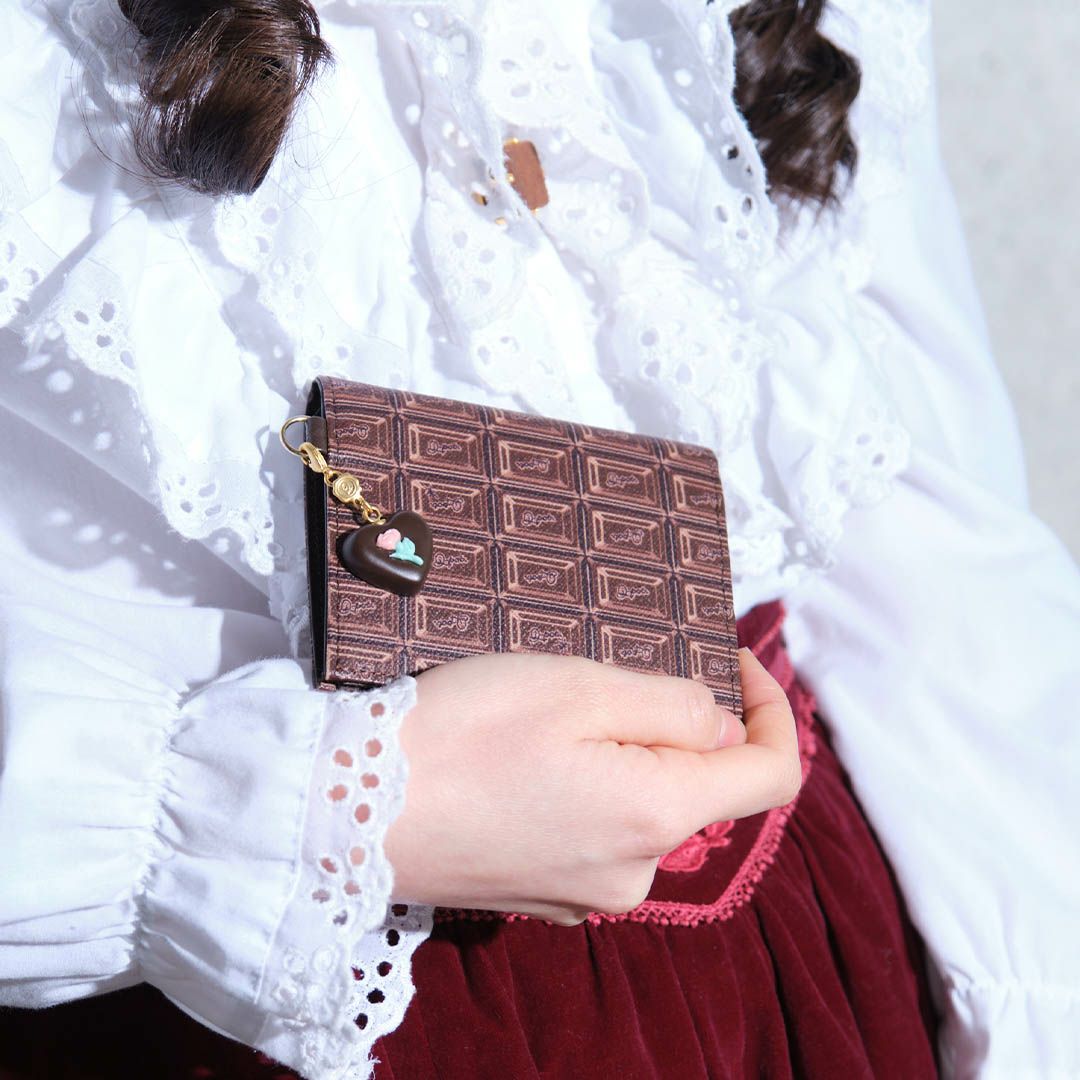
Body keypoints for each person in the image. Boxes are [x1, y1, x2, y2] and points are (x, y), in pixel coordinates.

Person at [0, 0, 1077, 1077]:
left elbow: (919, 519)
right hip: (269, 998)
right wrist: (314, 809)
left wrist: (1028, 1003)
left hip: (805, 956)